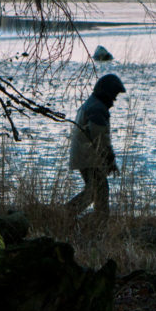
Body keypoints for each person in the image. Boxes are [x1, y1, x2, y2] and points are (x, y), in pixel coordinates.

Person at [66, 74, 126, 219]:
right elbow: (101, 140)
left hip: (83, 157)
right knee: (98, 192)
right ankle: (67, 215)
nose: (114, 101)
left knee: (95, 191)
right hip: (89, 158)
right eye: (114, 96)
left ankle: (70, 216)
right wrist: (110, 160)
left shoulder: (91, 104)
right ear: (107, 93)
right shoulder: (98, 109)